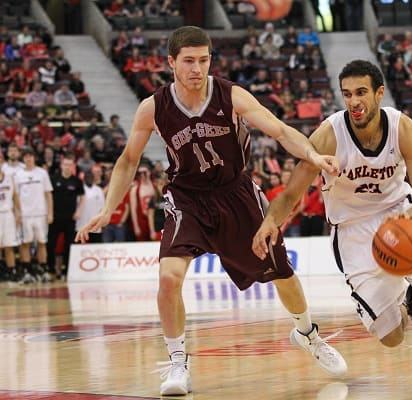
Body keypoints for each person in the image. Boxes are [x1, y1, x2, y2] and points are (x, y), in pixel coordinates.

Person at [75, 26, 346, 396]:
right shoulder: (153, 107)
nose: (197, 68)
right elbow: (128, 160)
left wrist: (312, 154)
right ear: (171, 63)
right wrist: (109, 208)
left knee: (281, 272)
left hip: (235, 194)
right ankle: (177, 363)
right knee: (169, 278)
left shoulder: (230, 95)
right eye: (188, 61)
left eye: (204, 60)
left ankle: (308, 334)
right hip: (186, 197)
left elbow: (280, 130)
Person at [253, 60, 412, 391]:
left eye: (361, 92)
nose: (354, 101)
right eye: (347, 94)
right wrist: (270, 222)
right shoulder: (328, 135)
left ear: (380, 93)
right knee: (392, 338)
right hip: (352, 228)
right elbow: (292, 191)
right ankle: (409, 297)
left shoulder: (402, 128)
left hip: (399, 210)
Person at [14, 147, 53, 283]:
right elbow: (16, 196)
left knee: (42, 242)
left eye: (31, 156)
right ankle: (27, 272)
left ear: (34, 158)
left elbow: (48, 194)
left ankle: (43, 271)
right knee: (26, 243)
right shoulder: (18, 175)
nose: (28, 159)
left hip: (41, 214)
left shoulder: (42, 173)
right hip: (25, 215)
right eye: (26, 156)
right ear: (23, 159)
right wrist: (18, 213)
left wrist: (50, 213)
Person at [47, 154, 85, 280]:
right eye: (65, 164)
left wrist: (79, 211)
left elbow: (83, 197)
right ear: (61, 165)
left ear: (73, 166)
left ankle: (66, 271)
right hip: (55, 218)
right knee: (51, 244)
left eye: (70, 164)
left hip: (70, 219)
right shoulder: (53, 179)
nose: (67, 167)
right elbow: (49, 197)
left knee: (69, 245)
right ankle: (51, 270)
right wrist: (50, 213)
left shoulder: (77, 181)